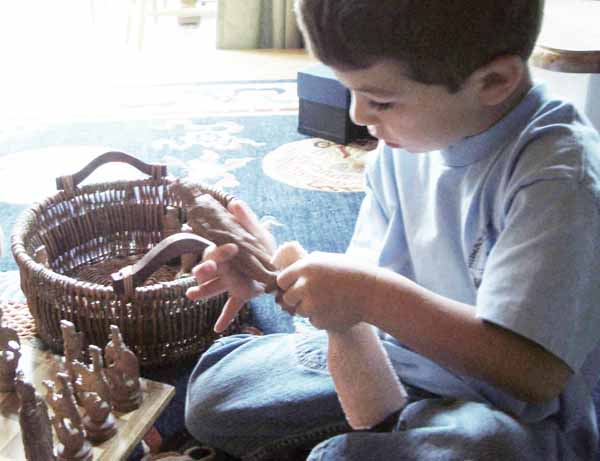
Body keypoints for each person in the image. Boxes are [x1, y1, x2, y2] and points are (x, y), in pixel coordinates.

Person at [184, 0, 600, 459]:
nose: (359, 116)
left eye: (380, 100)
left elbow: (534, 373)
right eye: (351, 91)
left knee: (472, 446)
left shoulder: (559, 180)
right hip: (399, 363)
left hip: (504, 410)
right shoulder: (409, 138)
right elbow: (357, 295)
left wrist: (370, 296)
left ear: (494, 82)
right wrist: (277, 271)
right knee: (214, 394)